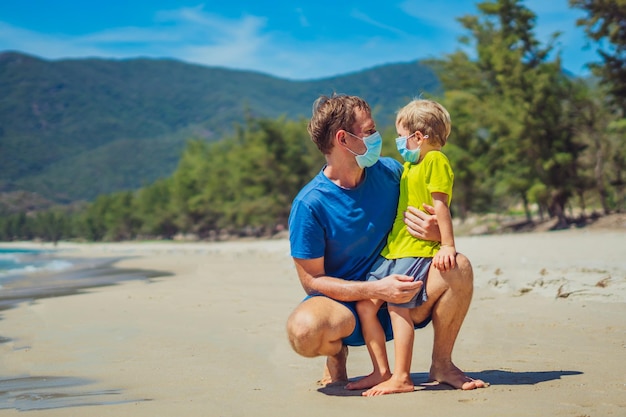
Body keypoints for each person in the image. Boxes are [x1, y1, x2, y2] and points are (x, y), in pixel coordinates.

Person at [286, 93, 485, 392]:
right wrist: (373, 288)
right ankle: (336, 355)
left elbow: (432, 209)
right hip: (348, 308)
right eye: (369, 132)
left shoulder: (392, 172)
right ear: (344, 139)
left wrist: (436, 233)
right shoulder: (310, 204)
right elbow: (311, 281)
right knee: (304, 331)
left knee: (459, 266)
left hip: (401, 293)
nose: (378, 137)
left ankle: (442, 364)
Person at [347, 99, 458, 396]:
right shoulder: (411, 164)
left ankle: (402, 377)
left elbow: (440, 206)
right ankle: (379, 370)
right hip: (394, 250)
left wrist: (447, 244)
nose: (398, 143)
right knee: (366, 304)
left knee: (397, 307)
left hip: (414, 249)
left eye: (401, 136)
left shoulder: (435, 161)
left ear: (418, 137)